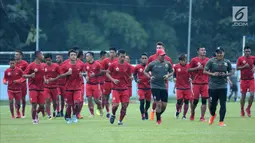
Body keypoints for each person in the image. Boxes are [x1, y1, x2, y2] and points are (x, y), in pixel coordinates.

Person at [204, 47, 232, 127]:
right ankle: (213, 115)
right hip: (213, 86)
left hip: (223, 86)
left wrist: (225, 74)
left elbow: (231, 72)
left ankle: (221, 121)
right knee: (213, 105)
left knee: (223, 104)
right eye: (218, 53)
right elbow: (204, 71)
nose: (219, 54)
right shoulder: (211, 61)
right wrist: (213, 74)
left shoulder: (227, 62)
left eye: (221, 53)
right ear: (216, 53)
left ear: (224, 53)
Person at [144, 49, 173, 125]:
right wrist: (149, 77)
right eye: (162, 55)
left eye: (164, 55)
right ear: (158, 55)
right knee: (159, 104)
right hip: (154, 86)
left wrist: (168, 75)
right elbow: (145, 71)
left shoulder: (167, 63)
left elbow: (172, 71)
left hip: (163, 86)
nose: (163, 56)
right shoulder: (152, 64)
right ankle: (158, 120)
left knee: (164, 105)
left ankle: (158, 115)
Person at [106, 49, 132, 125]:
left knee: (124, 105)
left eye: (124, 57)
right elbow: (107, 73)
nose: (123, 58)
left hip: (125, 88)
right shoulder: (113, 65)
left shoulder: (128, 65)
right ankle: (113, 114)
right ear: (118, 56)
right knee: (115, 105)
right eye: (121, 57)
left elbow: (130, 75)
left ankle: (120, 121)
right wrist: (113, 80)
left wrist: (131, 77)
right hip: (115, 88)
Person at [57, 49, 84, 124]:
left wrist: (82, 74)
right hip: (68, 88)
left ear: (76, 56)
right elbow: (60, 75)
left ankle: (74, 115)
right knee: (69, 105)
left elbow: (84, 72)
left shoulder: (80, 64)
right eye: (71, 55)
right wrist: (67, 73)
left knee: (77, 103)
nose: (73, 56)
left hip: (77, 87)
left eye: (74, 55)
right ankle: (68, 117)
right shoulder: (65, 65)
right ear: (69, 56)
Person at [23, 51, 45, 124]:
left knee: (42, 106)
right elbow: (24, 75)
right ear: (38, 55)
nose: (43, 56)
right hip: (33, 88)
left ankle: (36, 114)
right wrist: (30, 76)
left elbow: (43, 75)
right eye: (42, 54)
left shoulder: (43, 65)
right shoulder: (31, 65)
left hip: (41, 88)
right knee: (34, 104)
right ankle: (34, 119)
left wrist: (45, 80)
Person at [188, 47, 209, 121]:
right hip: (196, 83)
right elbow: (189, 69)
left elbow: (211, 69)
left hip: (205, 83)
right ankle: (192, 113)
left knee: (204, 100)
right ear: (198, 52)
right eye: (202, 50)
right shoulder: (194, 60)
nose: (204, 51)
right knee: (195, 101)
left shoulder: (208, 60)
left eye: (204, 50)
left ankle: (202, 117)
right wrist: (197, 68)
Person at [236, 46, 255, 117]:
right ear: (244, 52)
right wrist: (244, 67)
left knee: (252, 95)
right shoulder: (240, 59)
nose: (247, 53)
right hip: (243, 80)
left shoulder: (253, 58)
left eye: (249, 51)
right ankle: (242, 109)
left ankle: (248, 108)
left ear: (250, 52)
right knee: (243, 96)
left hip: (251, 79)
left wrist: (254, 68)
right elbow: (237, 68)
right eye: (246, 51)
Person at [84, 52, 103, 117]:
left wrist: (95, 74)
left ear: (91, 56)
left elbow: (101, 72)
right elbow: (86, 72)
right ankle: (92, 113)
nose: (86, 58)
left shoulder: (97, 64)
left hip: (96, 84)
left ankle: (100, 108)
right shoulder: (86, 64)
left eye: (87, 56)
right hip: (88, 84)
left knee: (96, 100)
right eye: (86, 56)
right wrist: (86, 77)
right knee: (89, 99)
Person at [133, 53, 151, 120]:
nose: (144, 59)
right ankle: (143, 115)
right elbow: (134, 74)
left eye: (145, 58)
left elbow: (154, 74)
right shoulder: (137, 67)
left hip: (149, 88)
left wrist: (151, 79)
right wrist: (136, 80)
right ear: (140, 59)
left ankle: (146, 111)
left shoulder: (150, 67)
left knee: (148, 103)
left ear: (147, 59)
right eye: (142, 58)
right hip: (141, 87)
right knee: (142, 101)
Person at [174, 54, 192, 120]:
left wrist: (190, 78)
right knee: (179, 101)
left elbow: (191, 74)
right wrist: (174, 78)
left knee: (186, 102)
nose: (184, 62)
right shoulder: (176, 66)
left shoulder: (189, 66)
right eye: (183, 60)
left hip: (187, 87)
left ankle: (184, 115)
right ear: (180, 61)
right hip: (179, 87)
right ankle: (177, 110)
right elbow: (174, 74)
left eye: (185, 60)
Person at [102, 47, 118, 118]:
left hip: (115, 82)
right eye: (110, 52)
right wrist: (107, 71)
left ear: (115, 53)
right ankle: (108, 111)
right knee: (106, 97)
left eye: (113, 52)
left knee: (115, 98)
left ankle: (113, 111)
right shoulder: (105, 61)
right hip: (107, 81)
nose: (111, 54)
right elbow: (101, 70)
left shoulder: (118, 60)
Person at [43, 53, 60, 119]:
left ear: (51, 60)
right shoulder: (44, 66)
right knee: (47, 100)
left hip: (54, 87)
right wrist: (45, 79)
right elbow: (42, 74)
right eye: (46, 60)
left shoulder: (56, 66)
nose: (48, 62)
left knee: (55, 101)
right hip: (46, 87)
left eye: (49, 60)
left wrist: (54, 79)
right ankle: (49, 114)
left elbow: (60, 75)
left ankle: (55, 111)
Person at [14, 50, 28, 118]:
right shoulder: (13, 63)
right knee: (17, 99)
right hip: (15, 84)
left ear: (21, 56)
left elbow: (27, 73)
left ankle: (23, 111)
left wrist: (22, 79)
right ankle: (17, 112)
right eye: (15, 54)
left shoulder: (25, 63)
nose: (16, 56)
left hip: (22, 83)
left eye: (17, 54)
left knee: (23, 99)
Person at [96, 50, 107, 116]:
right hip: (97, 82)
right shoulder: (97, 62)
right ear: (102, 56)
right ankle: (99, 109)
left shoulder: (106, 63)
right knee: (98, 97)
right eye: (105, 56)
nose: (106, 57)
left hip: (104, 82)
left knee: (104, 97)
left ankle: (102, 109)